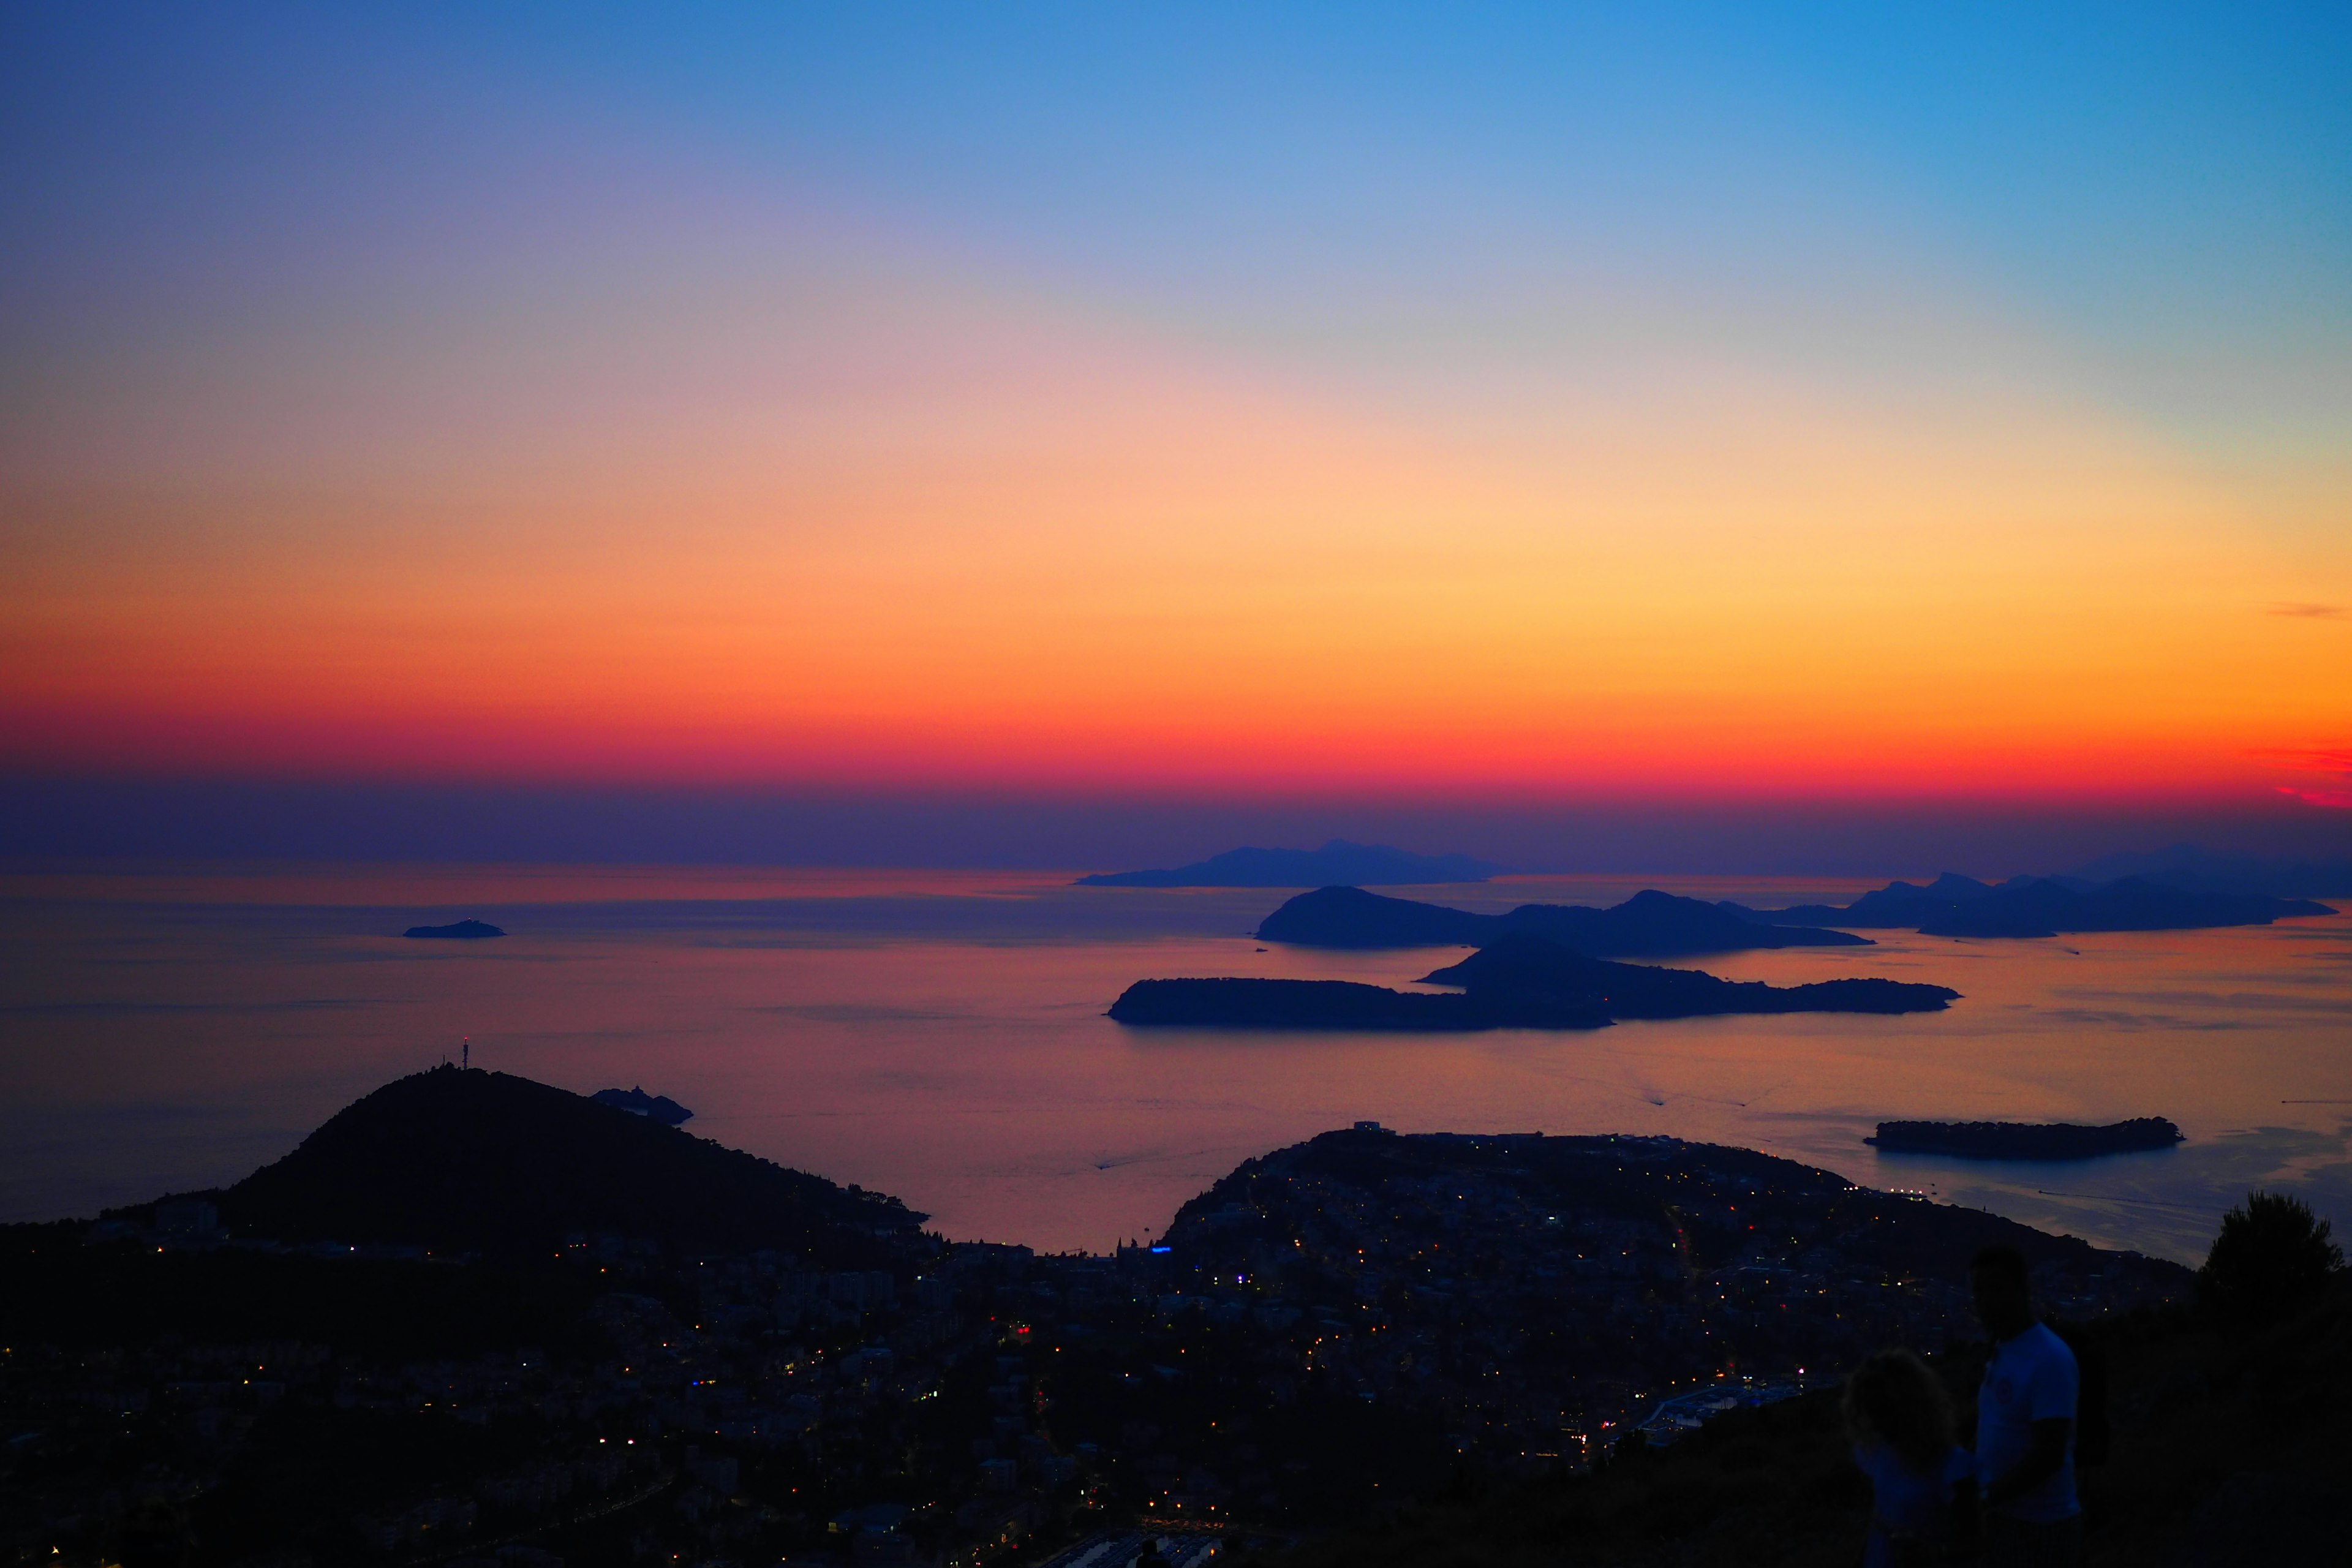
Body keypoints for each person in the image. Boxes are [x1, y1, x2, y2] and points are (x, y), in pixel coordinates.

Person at [1969, 1244, 2081, 1566]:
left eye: (1996, 1288)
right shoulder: (2002, 1348)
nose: (1986, 1301)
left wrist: (1986, 1498)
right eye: (1979, 1290)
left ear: (2022, 1290)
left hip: (2040, 1526)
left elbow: (2049, 1454)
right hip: (2001, 1517)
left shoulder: (2049, 1359)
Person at [1844, 1348, 1978, 1566]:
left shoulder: (1953, 1468)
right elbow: (1880, 1518)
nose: (1875, 1423)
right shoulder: (1878, 1454)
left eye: (1881, 1412)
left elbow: (1976, 1540)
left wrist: (1935, 1553)